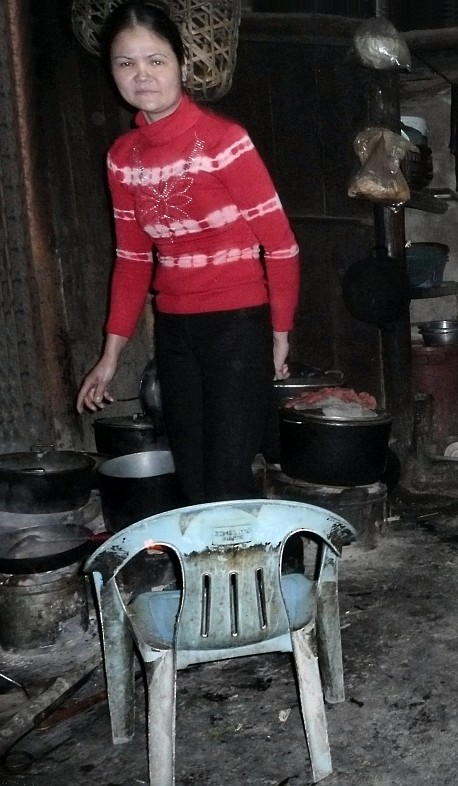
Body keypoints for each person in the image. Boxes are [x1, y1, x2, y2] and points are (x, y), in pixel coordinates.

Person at [76, 0, 300, 504]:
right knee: (194, 481)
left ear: (181, 63)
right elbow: (133, 260)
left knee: (225, 478)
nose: (142, 75)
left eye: (155, 60)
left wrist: (279, 333)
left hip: (238, 327)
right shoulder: (122, 158)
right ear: (112, 71)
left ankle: (266, 577)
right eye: (125, 63)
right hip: (177, 334)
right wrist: (109, 357)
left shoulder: (224, 142)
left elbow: (281, 245)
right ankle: (238, 578)